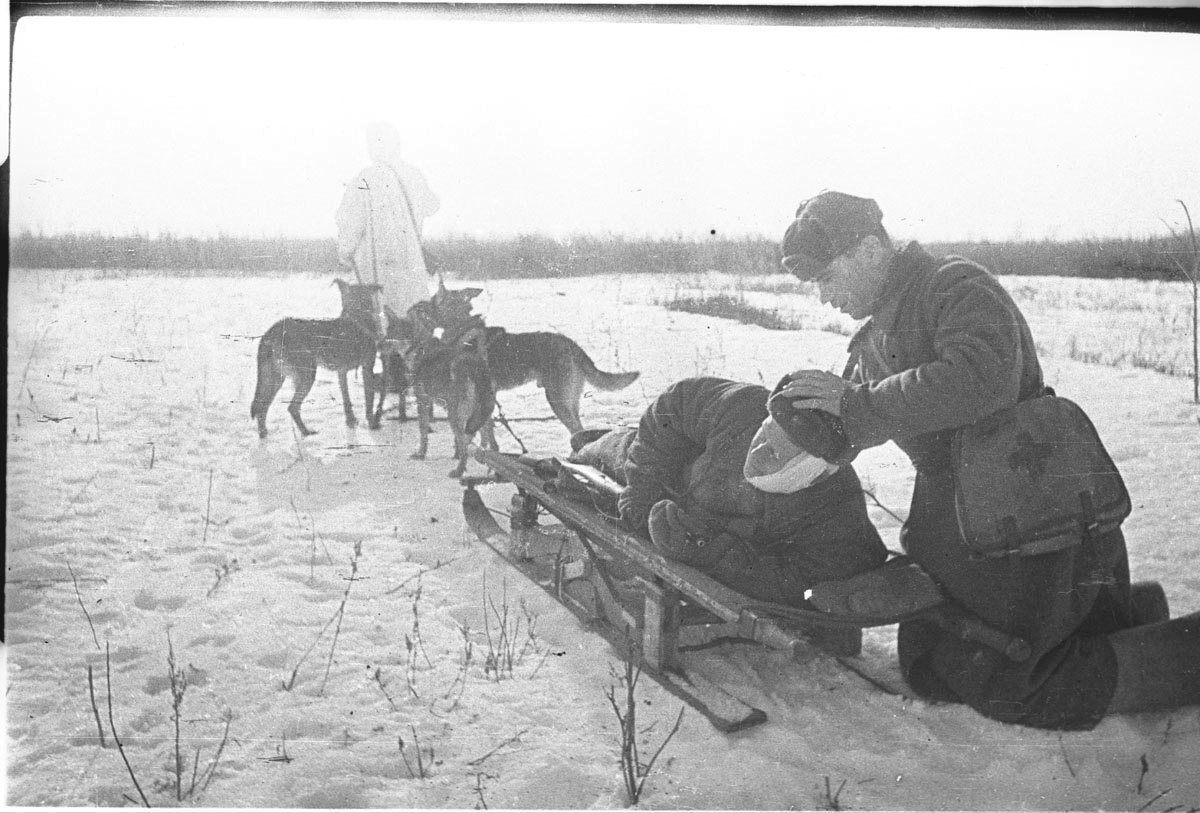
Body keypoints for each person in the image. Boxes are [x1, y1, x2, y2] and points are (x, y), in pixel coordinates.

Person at [773, 190, 1199, 729]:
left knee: (1014, 683)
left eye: (827, 276)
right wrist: (809, 424)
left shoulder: (953, 286)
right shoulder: (878, 330)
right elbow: (864, 413)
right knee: (930, 658)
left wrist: (859, 405)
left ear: (869, 250)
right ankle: (1124, 620)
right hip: (970, 528)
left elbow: (981, 378)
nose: (823, 296)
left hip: (1031, 518)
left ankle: (1185, 655)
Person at [568, 376, 889, 610]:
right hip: (676, 471)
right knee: (600, 455)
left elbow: (795, 580)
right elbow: (672, 405)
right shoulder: (744, 406)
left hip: (720, 529)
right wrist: (643, 494)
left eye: (777, 454)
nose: (759, 450)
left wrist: (708, 552)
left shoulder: (835, 511)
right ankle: (589, 442)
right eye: (766, 433)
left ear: (815, 473)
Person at [336, 122, 441, 417]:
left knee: (382, 326)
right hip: (411, 266)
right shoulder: (413, 174)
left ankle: (391, 383)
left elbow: (349, 224)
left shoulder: (364, 178)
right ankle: (420, 385)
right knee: (413, 323)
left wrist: (345, 252)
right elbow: (432, 205)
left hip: (377, 268)